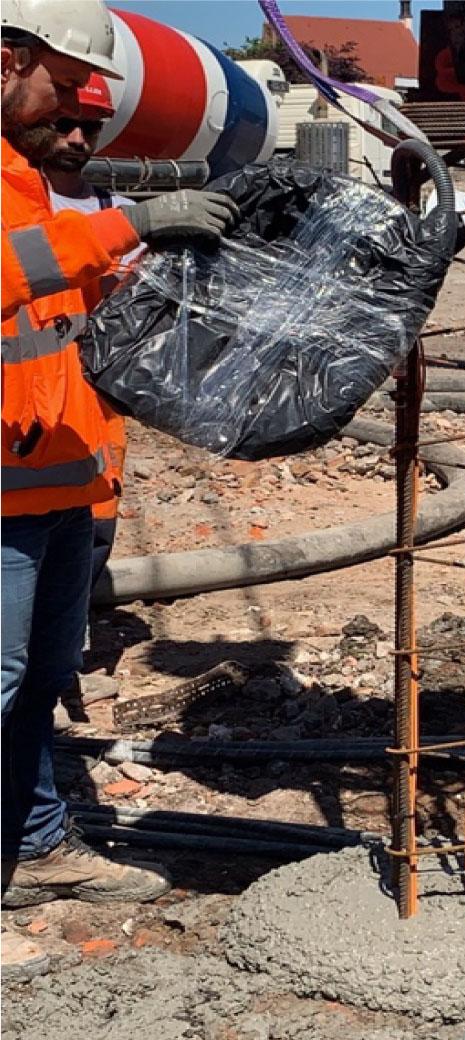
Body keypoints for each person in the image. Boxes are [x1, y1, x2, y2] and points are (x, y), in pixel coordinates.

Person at [1, 0, 239, 981]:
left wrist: (142, 267)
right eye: (66, 89)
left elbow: (54, 319)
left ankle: (36, 843)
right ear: (8, 61)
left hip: (54, 492)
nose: (79, 115)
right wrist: (123, 225)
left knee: (34, 687)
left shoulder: (27, 188)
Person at [43, 73, 143, 598]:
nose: (78, 140)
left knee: (94, 523)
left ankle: (69, 634)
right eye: (65, 124)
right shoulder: (19, 207)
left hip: (96, 408)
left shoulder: (120, 215)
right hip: (29, 399)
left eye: (90, 127)